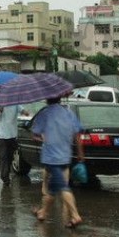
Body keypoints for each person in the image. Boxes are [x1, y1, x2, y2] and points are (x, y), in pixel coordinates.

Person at [30, 96, 86, 228]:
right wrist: (80, 153)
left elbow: (34, 134)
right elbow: (77, 135)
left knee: (62, 186)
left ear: (47, 100)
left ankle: (75, 215)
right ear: (60, 99)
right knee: (53, 188)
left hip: (51, 157)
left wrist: (43, 138)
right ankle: (43, 212)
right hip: (65, 156)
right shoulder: (68, 113)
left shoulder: (44, 113)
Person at [0, 102, 21, 184]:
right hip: (1, 136)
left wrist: (26, 112)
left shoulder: (15, 102)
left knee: (10, 157)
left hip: (12, 135)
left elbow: (23, 111)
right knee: (3, 157)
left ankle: (6, 174)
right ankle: (5, 178)